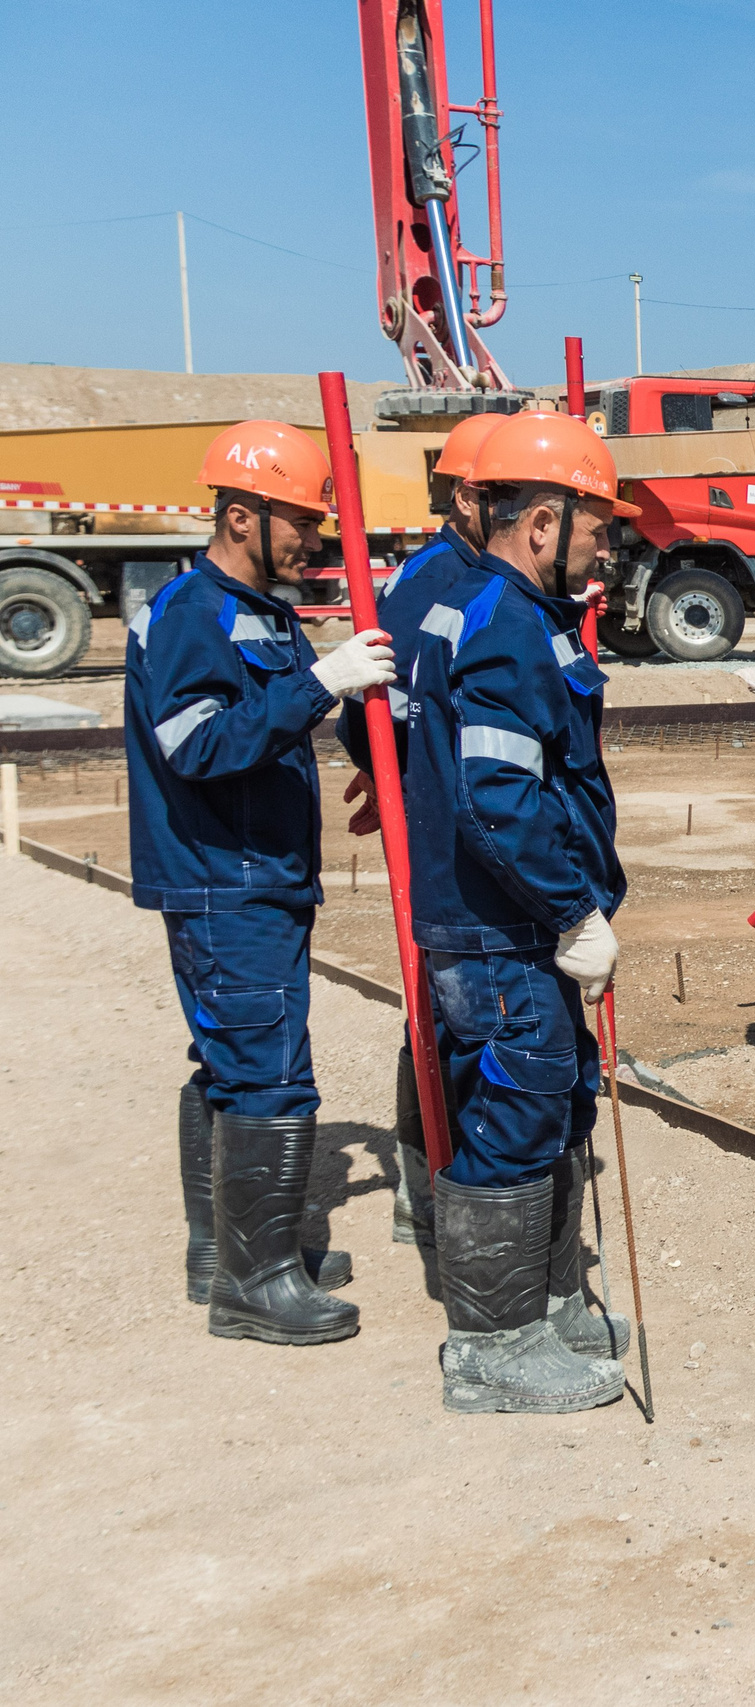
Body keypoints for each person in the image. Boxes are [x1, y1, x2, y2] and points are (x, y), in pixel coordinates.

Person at [126, 421, 400, 1342]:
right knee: (269, 1072)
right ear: (242, 516)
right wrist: (321, 679)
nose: (313, 537)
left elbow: (266, 725)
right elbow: (197, 743)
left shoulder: (263, 611)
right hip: (222, 882)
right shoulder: (189, 615)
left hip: (257, 875)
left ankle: (230, 1249)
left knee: (233, 1064)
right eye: (298, 521)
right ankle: (257, 1282)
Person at [401, 410, 641, 1412]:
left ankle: (541, 1306)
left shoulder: (500, 611)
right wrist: (572, 913)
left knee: (548, 1100)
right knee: (515, 1109)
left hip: (501, 921)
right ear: (541, 521)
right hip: (502, 927)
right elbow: (498, 798)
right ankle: (493, 1347)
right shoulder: (503, 625)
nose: (607, 544)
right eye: (595, 525)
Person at [338, 406, 511, 1257]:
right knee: (446, 1016)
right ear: (470, 500)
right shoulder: (434, 582)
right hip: (446, 828)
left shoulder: (489, 576)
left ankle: (446, 1189)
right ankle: (433, 1191)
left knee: (458, 1016)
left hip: (462, 817)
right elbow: (371, 711)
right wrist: (399, 778)